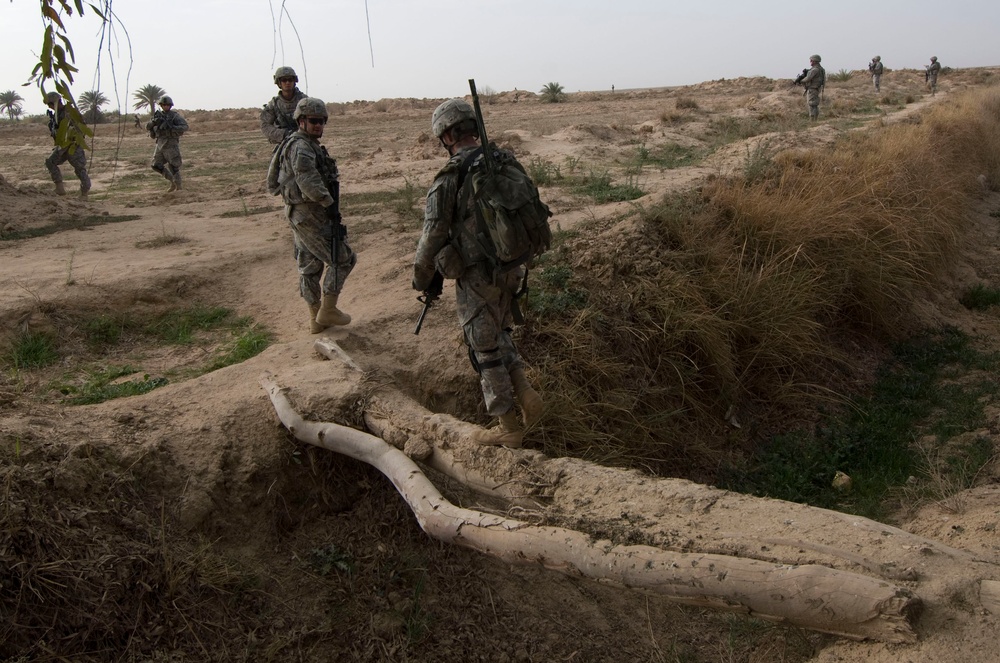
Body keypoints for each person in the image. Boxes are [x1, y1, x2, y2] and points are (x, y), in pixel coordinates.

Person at [412, 99, 544, 448]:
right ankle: (527, 393)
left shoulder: (451, 176)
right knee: (500, 332)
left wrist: (421, 279)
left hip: (477, 275)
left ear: (446, 135)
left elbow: (431, 238)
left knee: (483, 348)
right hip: (512, 267)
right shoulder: (503, 161)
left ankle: (507, 426)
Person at [269, 97, 355, 333]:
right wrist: (328, 203)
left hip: (300, 212)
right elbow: (306, 178)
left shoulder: (302, 143)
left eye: (322, 121)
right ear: (301, 121)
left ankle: (315, 321)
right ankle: (327, 309)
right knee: (343, 259)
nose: (319, 126)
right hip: (309, 212)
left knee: (310, 266)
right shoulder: (301, 146)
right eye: (313, 121)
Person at [43, 91, 91, 199]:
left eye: (50, 104)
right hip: (63, 145)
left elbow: (80, 128)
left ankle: (84, 193)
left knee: (79, 169)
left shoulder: (69, 112)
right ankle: (60, 188)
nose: (49, 107)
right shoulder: (57, 114)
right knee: (50, 162)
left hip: (72, 144)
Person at [145, 95, 188, 192]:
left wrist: (172, 128)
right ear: (161, 105)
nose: (165, 106)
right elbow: (147, 127)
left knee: (173, 166)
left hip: (171, 143)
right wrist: (154, 122)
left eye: (167, 105)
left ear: (170, 105)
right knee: (155, 165)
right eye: (163, 105)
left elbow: (185, 126)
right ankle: (172, 181)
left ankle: (179, 187)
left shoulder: (175, 116)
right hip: (160, 143)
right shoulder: (157, 116)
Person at [260, 67, 307, 145]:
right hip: (283, 142)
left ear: (294, 81)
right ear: (279, 83)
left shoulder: (304, 101)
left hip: (303, 141)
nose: (287, 83)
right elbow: (265, 125)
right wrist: (284, 134)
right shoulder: (274, 104)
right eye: (284, 80)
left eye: (290, 80)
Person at [800, 54, 826, 120]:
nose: (810, 61)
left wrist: (801, 81)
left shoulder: (815, 70)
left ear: (814, 61)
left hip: (813, 89)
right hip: (817, 88)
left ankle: (812, 120)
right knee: (814, 105)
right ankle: (815, 119)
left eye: (811, 60)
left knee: (811, 104)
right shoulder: (820, 69)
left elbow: (808, 78)